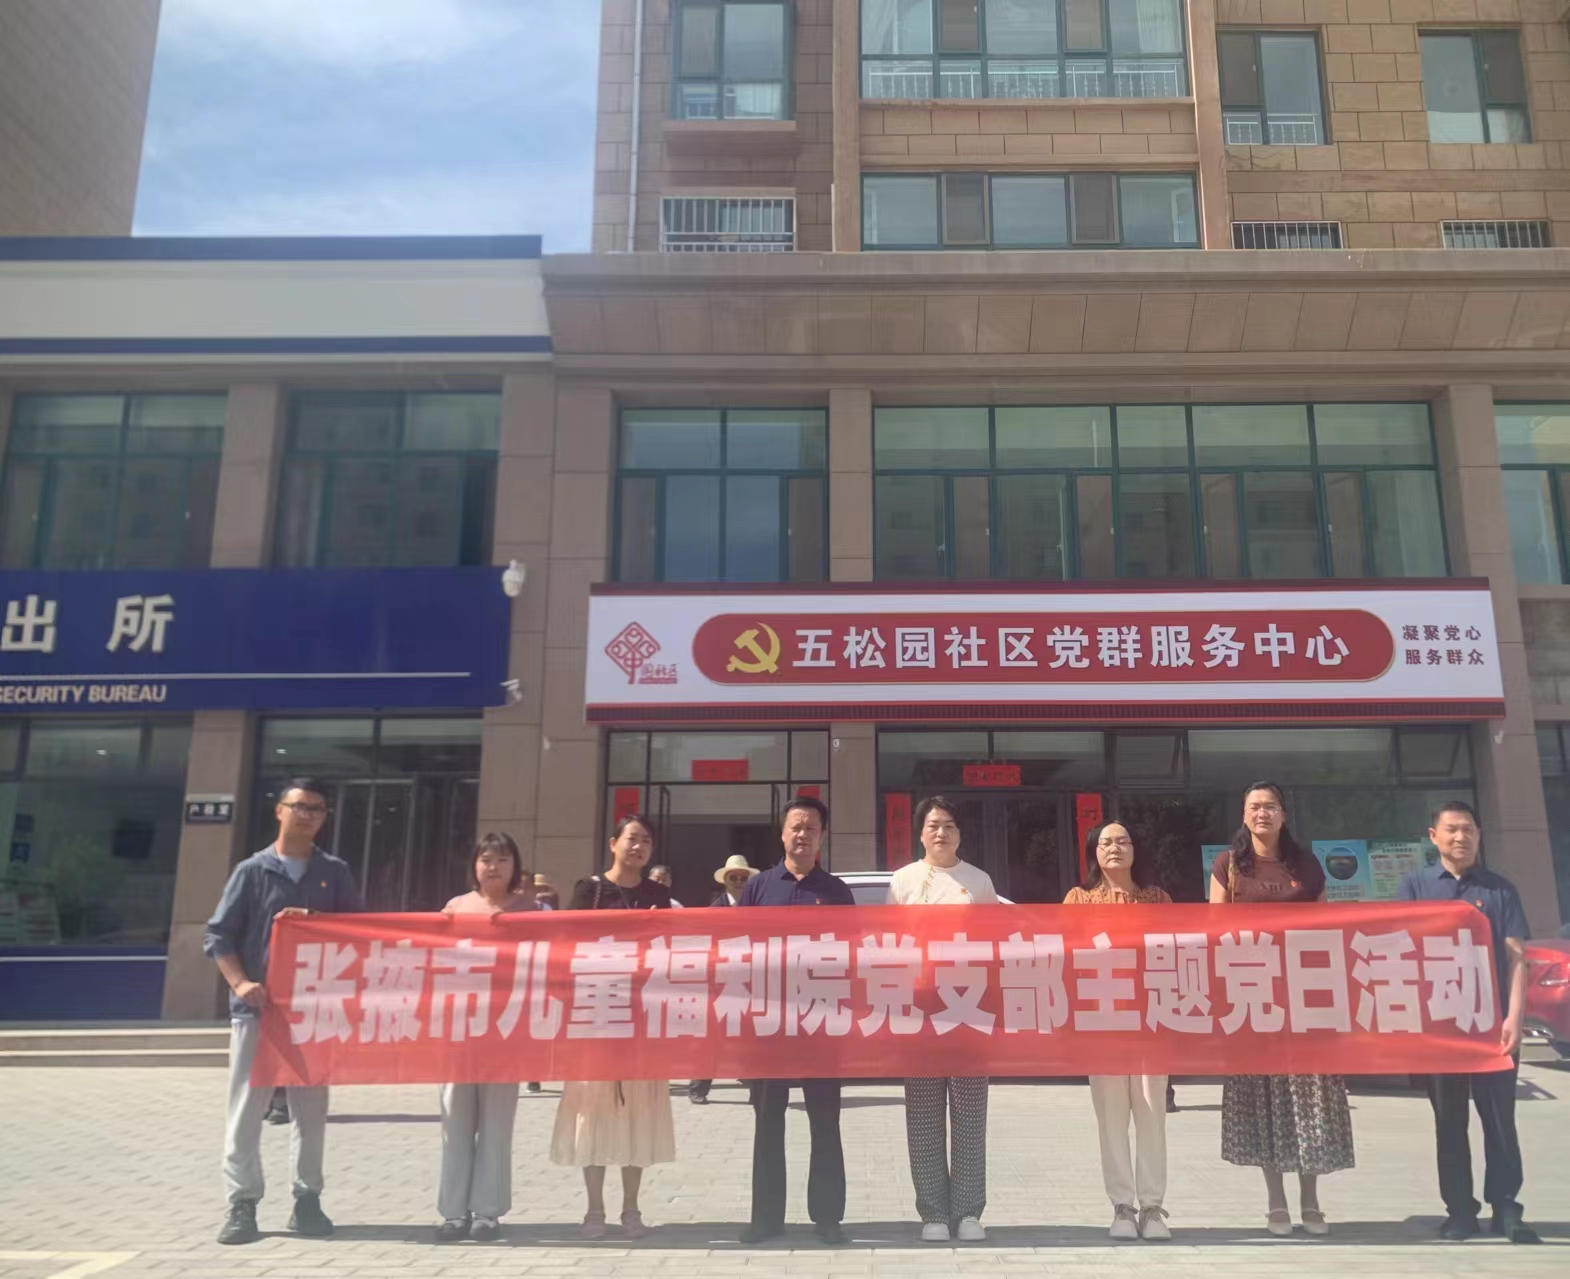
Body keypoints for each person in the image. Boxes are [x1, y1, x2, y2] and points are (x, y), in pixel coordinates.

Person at [204, 778, 365, 1246]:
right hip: (258, 1011)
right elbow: (219, 935)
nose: (309, 815)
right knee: (246, 1109)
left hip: (313, 1013)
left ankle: (307, 1198)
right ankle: (242, 1203)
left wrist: (317, 924)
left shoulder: (334, 872)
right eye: (300, 806)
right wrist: (240, 982)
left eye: (318, 809)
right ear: (280, 811)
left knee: (311, 1112)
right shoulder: (252, 871)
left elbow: (357, 931)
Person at [1210, 781, 1353, 1237]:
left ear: (1284, 814)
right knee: (1264, 1100)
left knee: (1310, 1099)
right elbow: (1215, 930)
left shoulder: (1305, 864)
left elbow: (1325, 926)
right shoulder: (1228, 865)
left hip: (1304, 996)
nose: (1262, 813)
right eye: (1254, 806)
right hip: (1253, 999)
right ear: (1243, 814)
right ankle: (1276, 1202)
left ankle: (1311, 1201)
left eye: (1270, 806)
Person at [1396, 800, 1540, 1245]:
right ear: (1433, 836)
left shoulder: (1500, 889)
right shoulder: (1415, 886)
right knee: (1449, 1121)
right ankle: (1459, 1210)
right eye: (1452, 829)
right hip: (1441, 1029)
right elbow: (1398, 951)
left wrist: (1515, 1017)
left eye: (1469, 830)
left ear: (1479, 835)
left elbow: (1517, 958)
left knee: (1499, 1119)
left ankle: (1506, 1207)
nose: (1462, 837)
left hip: (1493, 1027)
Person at [735, 796, 855, 1246]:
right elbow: (737, 950)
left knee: (825, 1121)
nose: (802, 834)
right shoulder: (759, 888)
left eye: (811, 828)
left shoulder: (837, 891)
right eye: (796, 826)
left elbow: (853, 954)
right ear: (782, 833)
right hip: (768, 1023)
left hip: (820, 1022)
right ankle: (766, 1219)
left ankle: (828, 1218)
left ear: (823, 837)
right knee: (768, 1121)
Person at [551, 815, 675, 1240]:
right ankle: (594, 1209)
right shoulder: (590, 890)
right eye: (631, 838)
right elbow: (566, 944)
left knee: (639, 1112)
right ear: (613, 843)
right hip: (597, 1016)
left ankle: (631, 1208)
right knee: (594, 1111)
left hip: (641, 1020)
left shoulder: (658, 895)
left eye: (646, 841)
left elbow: (668, 952)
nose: (638, 847)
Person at [887, 796, 999, 1244]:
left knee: (970, 1115)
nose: (941, 832)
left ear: (959, 833)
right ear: (920, 833)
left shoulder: (979, 881)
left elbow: (996, 944)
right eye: (933, 825)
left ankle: (968, 1212)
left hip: (969, 1010)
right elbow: (890, 946)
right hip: (920, 1011)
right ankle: (933, 1212)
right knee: (923, 1116)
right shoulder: (903, 881)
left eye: (949, 825)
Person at [1065, 821, 1174, 1242]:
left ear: (1135, 849)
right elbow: (1066, 955)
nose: (1115, 848)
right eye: (1106, 842)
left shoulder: (1157, 898)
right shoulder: (1078, 899)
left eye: (1123, 841)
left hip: (1150, 1019)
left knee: (1151, 1113)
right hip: (1102, 1020)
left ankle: (1153, 1207)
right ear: (1093, 851)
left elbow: (1175, 952)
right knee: (1111, 1116)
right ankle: (1122, 1207)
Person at [435, 833, 535, 1244]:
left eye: (503, 859)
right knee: (455, 1123)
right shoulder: (455, 908)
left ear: (516, 866)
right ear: (474, 865)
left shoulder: (529, 911)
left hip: (505, 1034)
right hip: (459, 1033)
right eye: (486, 859)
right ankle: (453, 1212)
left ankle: (488, 1214)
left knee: (496, 1126)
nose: (493, 867)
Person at [689, 855, 759, 1106]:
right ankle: (698, 1087)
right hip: (719, 982)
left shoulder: (759, 910)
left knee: (751, 1038)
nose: (738, 881)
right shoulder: (714, 911)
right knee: (712, 1037)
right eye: (734, 878)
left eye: (743, 877)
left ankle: (756, 1090)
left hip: (750, 981)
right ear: (725, 881)